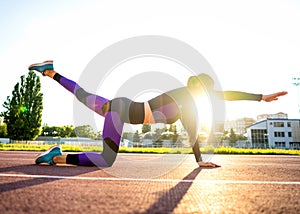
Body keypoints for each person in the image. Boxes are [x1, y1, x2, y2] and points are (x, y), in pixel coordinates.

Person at [30, 60, 287, 168]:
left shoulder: (188, 107)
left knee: (82, 94)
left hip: (116, 106)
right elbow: (224, 95)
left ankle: (51, 72)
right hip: (119, 111)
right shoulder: (185, 94)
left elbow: (193, 133)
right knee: (107, 160)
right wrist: (260, 97)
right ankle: (58, 156)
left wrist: (198, 160)